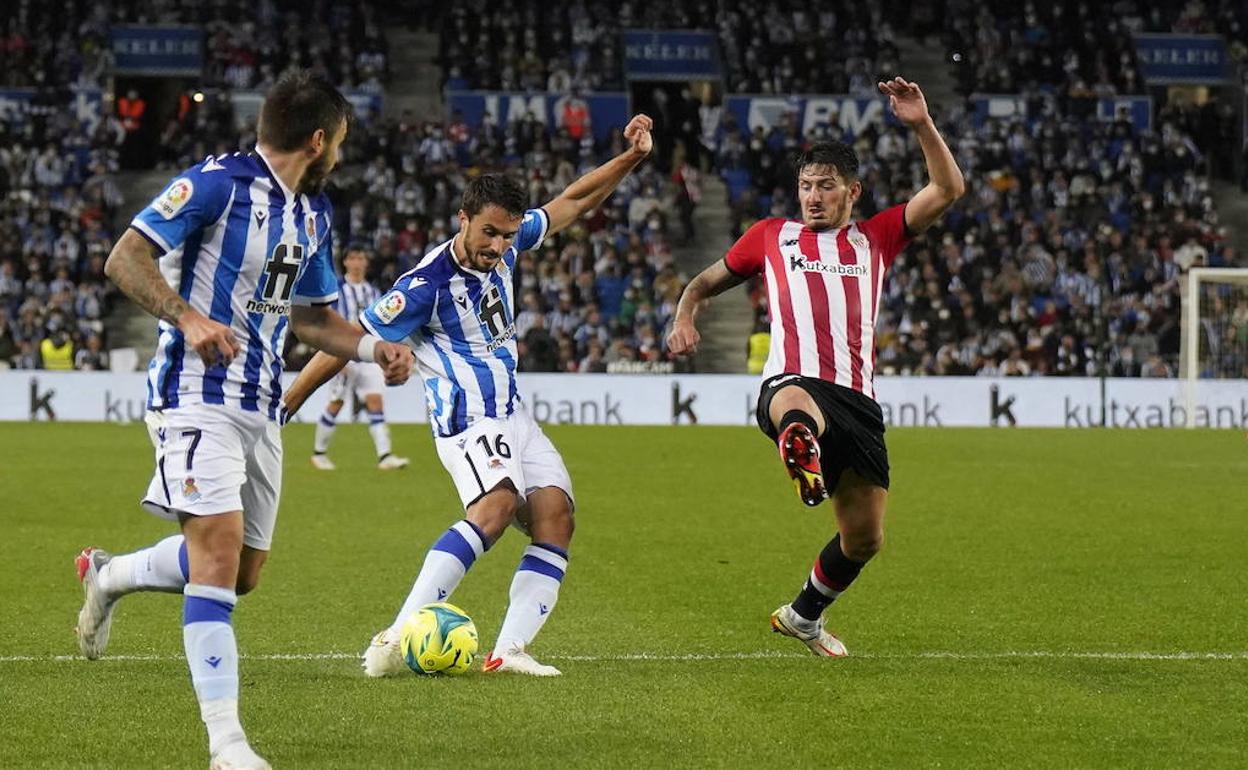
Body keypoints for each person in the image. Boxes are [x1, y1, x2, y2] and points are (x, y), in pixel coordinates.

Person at [73, 71, 413, 770]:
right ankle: (227, 745)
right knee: (219, 555)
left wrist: (376, 349)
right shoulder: (215, 184)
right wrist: (188, 316)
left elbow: (314, 319)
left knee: (241, 574)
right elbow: (123, 258)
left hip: (263, 405)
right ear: (318, 140)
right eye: (340, 142)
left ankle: (109, 576)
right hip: (195, 393)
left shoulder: (312, 215)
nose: (341, 154)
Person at [284, 114, 654, 677]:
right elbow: (345, 341)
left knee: (556, 516)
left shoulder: (508, 243)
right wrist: (289, 402)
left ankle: (509, 652)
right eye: (489, 233)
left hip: (513, 414)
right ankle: (395, 634)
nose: (499, 245)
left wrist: (630, 159)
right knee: (498, 506)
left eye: (508, 235)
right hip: (466, 419)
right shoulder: (425, 285)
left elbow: (573, 201)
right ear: (463, 219)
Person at [667, 77, 965, 657]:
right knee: (798, 407)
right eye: (805, 186)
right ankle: (799, 444)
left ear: (852, 191)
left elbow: (948, 188)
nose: (812, 196)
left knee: (864, 538)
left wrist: (921, 124)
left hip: (857, 399)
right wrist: (686, 315)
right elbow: (703, 282)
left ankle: (803, 616)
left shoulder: (878, 237)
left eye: (825, 186)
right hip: (792, 384)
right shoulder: (771, 237)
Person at [310, 246, 411, 470]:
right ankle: (318, 453)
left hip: (368, 355)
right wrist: (336, 353)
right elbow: (328, 322)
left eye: (361, 257)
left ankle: (385, 456)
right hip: (342, 355)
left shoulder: (373, 292)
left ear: (366, 262)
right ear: (345, 262)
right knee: (336, 403)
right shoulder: (336, 289)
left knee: (376, 403)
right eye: (353, 257)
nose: (357, 262)